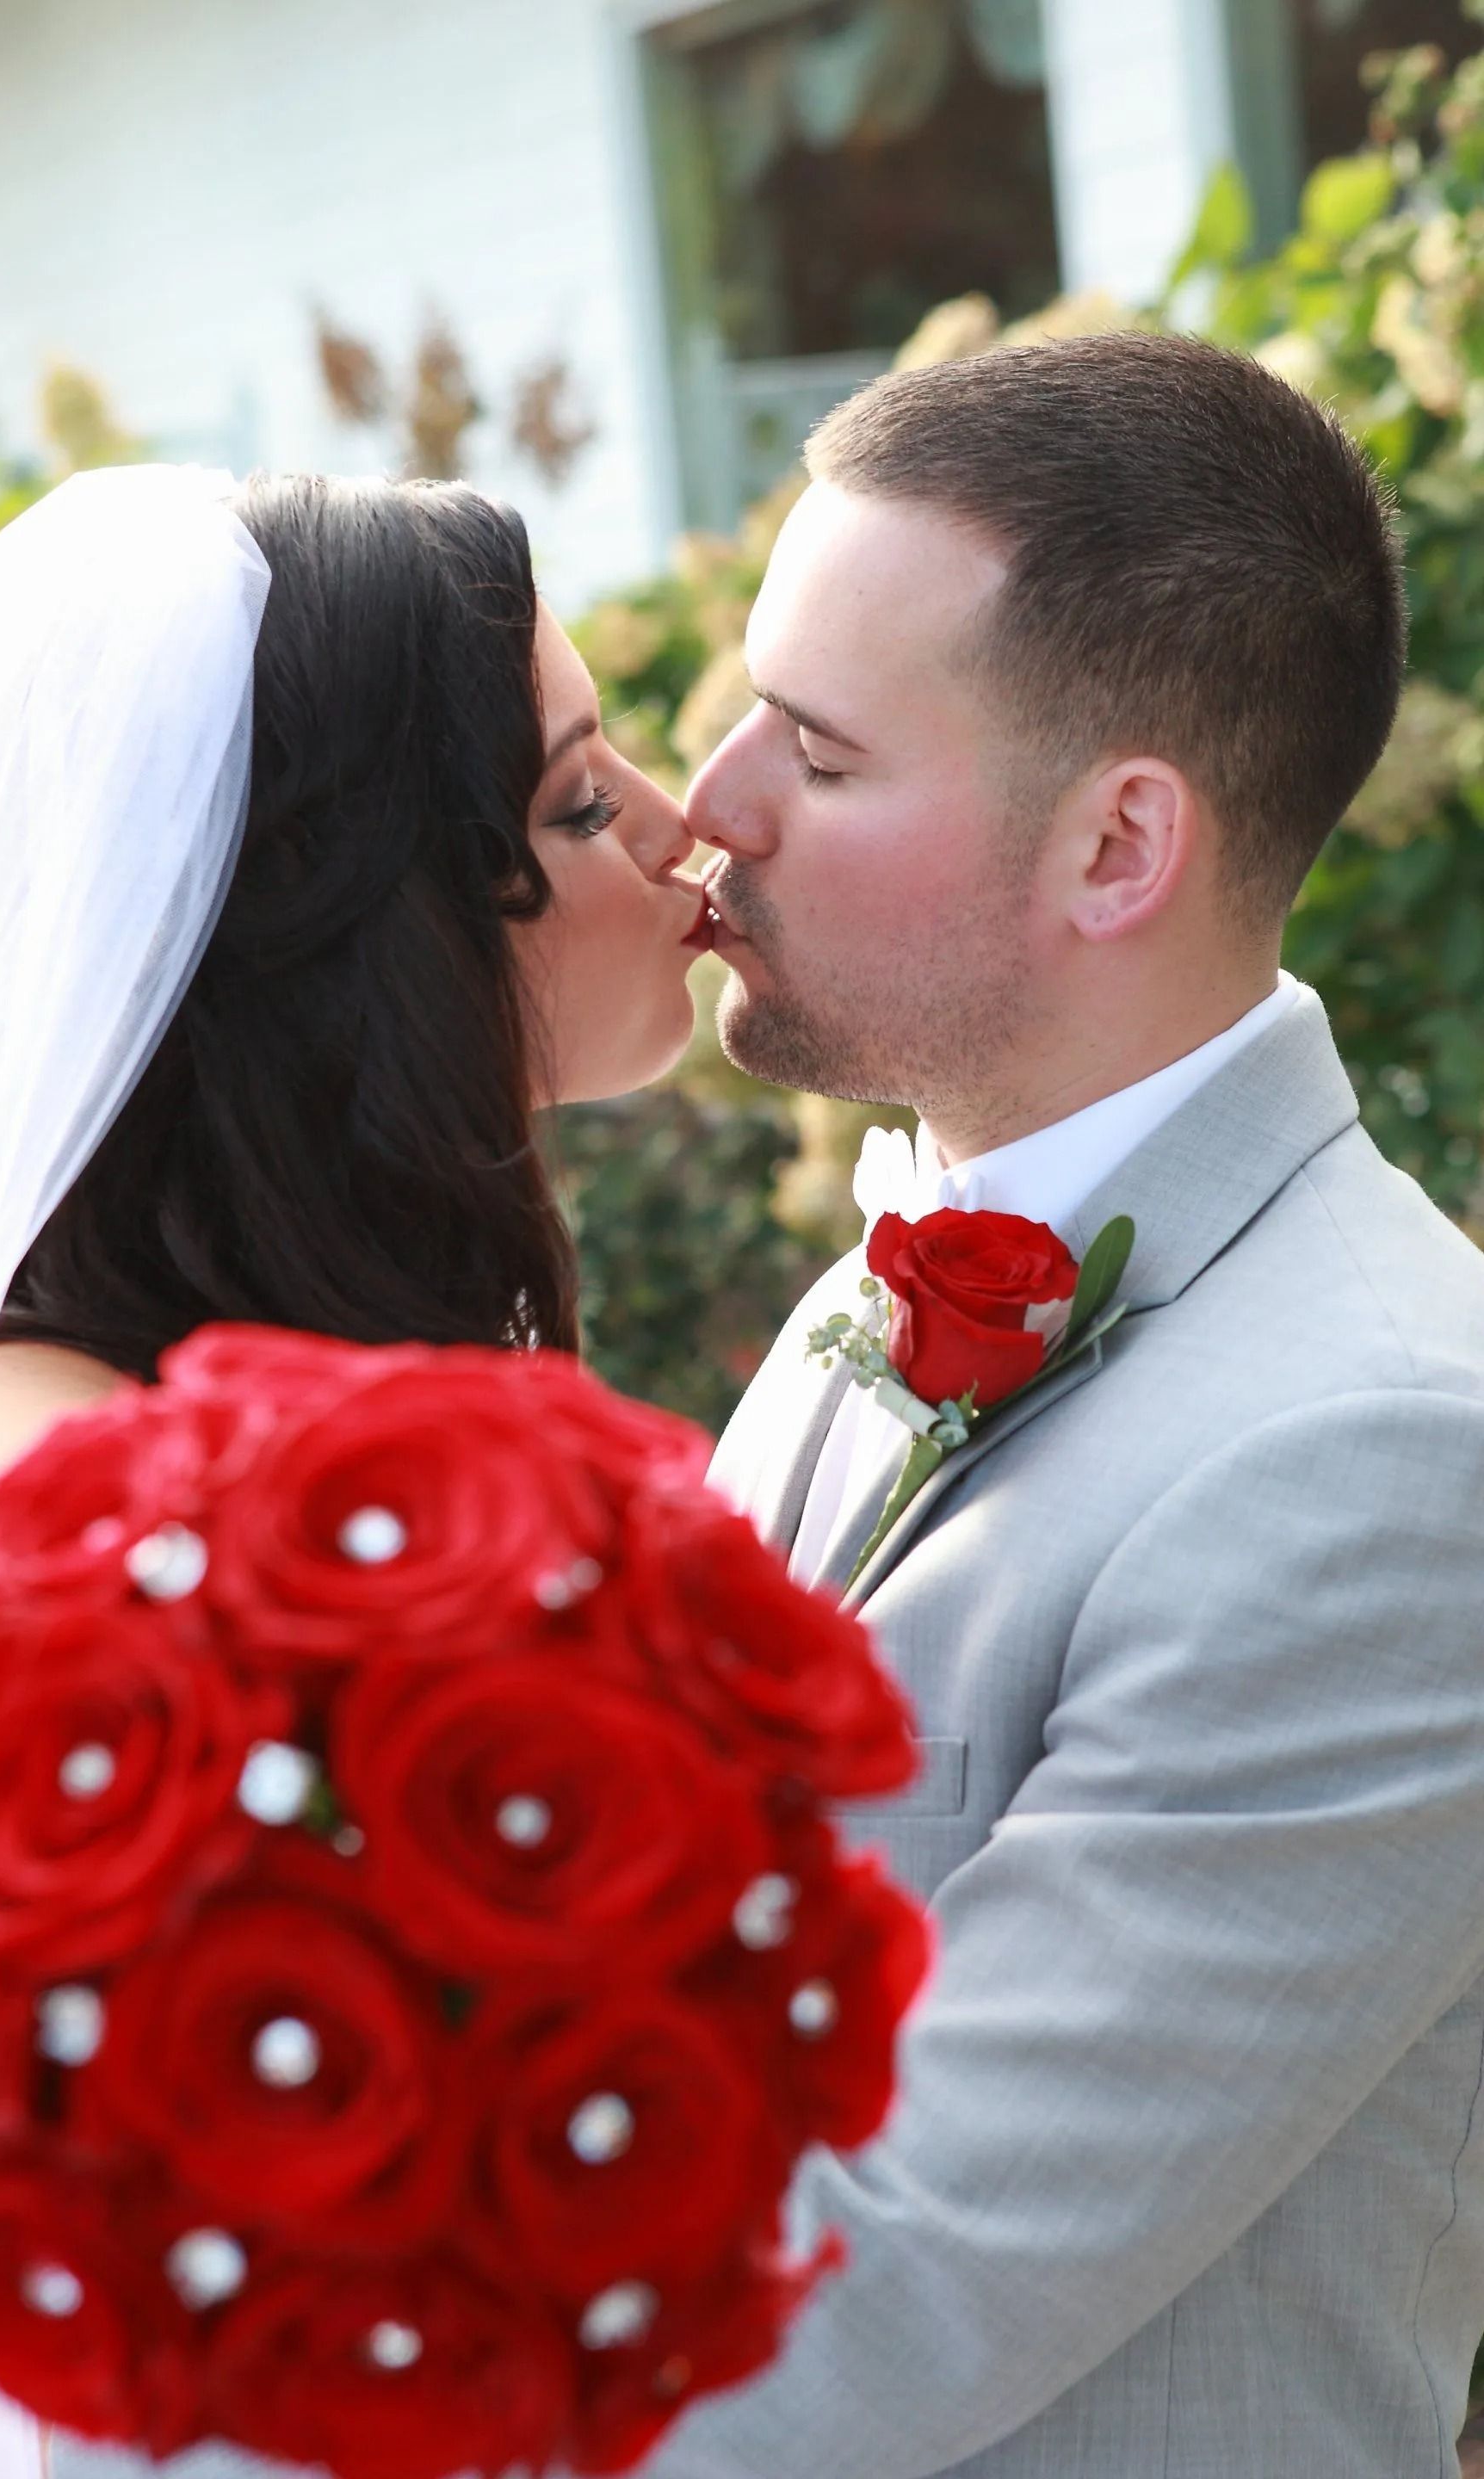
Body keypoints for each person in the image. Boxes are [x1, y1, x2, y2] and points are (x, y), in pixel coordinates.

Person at [641, 326, 1484, 2479]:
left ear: (1119, 848)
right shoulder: (891, 1265)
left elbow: (872, 2289)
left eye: (819, 757)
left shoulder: (1383, 1459)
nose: (706, 801)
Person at [0, 462, 708, 2478]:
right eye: (576, 805)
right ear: (357, 950)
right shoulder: (78, 1506)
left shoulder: (308, 1376)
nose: (685, 827)